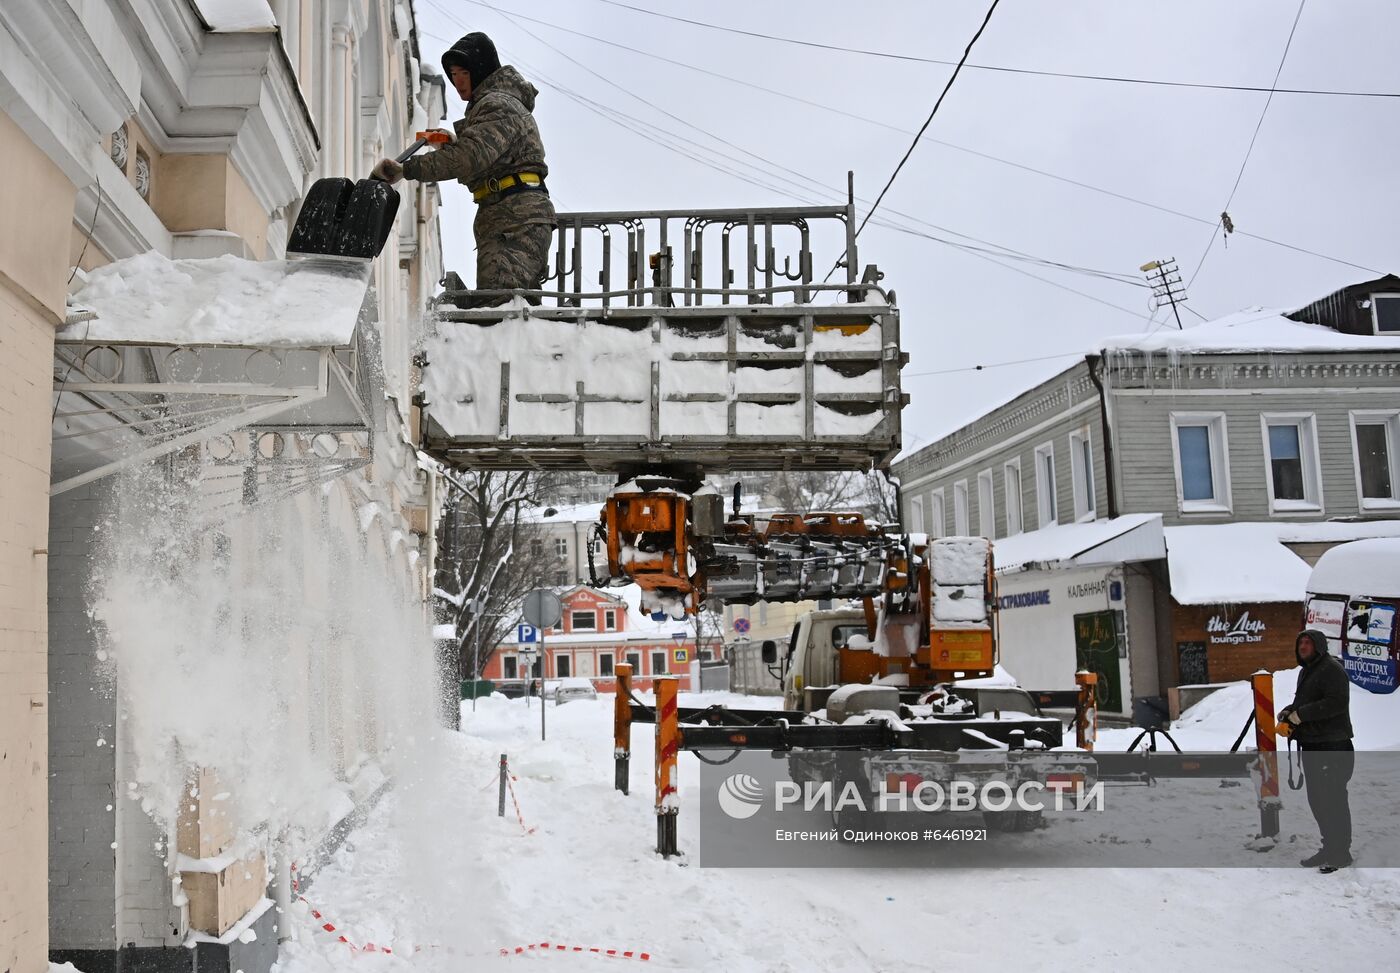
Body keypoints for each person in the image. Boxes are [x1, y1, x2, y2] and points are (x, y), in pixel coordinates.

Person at [373, 32, 554, 307]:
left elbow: (470, 158)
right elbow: (484, 158)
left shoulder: (498, 104)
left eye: (464, 72)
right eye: (453, 74)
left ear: (480, 69)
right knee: (506, 308)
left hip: (515, 221)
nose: (457, 81)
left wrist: (406, 169)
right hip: (508, 217)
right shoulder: (491, 105)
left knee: (502, 311)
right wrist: (452, 145)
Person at [1277, 628, 1354, 873]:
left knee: (1333, 802)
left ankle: (1340, 853)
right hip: (1313, 745)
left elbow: (1336, 703)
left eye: (1308, 642)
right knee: (1319, 802)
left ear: (1319, 646)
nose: (1303, 646)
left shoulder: (1331, 669)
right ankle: (1329, 848)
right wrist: (1291, 711)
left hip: (1332, 745)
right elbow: (1307, 702)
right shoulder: (1307, 672)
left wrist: (1302, 715)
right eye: (1301, 642)